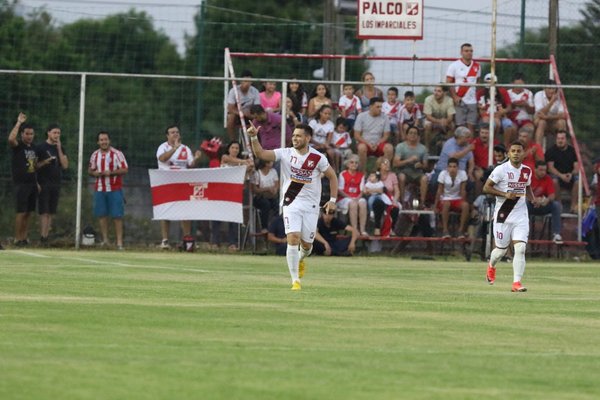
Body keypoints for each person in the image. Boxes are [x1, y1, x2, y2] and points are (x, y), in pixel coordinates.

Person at [247, 122, 338, 291]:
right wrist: (253, 136)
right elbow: (260, 153)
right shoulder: (286, 153)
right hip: (291, 202)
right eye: (294, 135)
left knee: (307, 246)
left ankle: (301, 259)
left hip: (311, 206)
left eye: (298, 136)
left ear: (308, 138)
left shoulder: (318, 158)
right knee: (293, 238)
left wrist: (332, 199)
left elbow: (332, 177)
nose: (295, 138)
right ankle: (295, 281)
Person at [483, 140, 534, 292]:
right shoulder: (501, 170)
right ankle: (491, 266)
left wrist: (532, 198)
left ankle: (516, 283)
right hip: (503, 215)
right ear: (508, 154)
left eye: (519, 151)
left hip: (521, 215)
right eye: (513, 151)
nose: (516, 153)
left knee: (520, 248)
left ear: (523, 153)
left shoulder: (527, 171)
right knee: (500, 250)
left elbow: (527, 186)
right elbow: (486, 187)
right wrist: (504, 194)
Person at [156, 125, 202, 249]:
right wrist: (174, 149)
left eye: (177, 132)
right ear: (167, 135)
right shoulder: (163, 147)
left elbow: (190, 165)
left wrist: (196, 158)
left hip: (182, 184)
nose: (175, 134)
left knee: (185, 212)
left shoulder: (185, 148)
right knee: (166, 211)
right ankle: (165, 240)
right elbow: (162, 158)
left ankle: (187, 240)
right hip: (167, 183)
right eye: (172, 132)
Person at [88, 131, 128, 249]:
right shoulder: (95, 155)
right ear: (98, 142)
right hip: (99, 189)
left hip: (115, 189)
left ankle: (119, 242)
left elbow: (125, 169)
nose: (104, 142)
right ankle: (105, 240)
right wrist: (94, 173)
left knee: (117, 216)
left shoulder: (117, 154)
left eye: (105, 139)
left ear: (109, 140)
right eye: (101, 140)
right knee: (102, 215)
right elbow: (90, 170)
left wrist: (111, 173)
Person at [213, 140, 253, 251]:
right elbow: (228, 159)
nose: (235, 150)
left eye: (237, 148)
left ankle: (232, 243)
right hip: (221, 193)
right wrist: (245, 162)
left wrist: (248, 170)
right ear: (229, 149)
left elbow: (243, 180)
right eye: (233, 147)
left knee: (233, 219)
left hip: (233, 195)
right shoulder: (225, 158)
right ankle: (215, 242)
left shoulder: (241, 165)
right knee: (217, 217)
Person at [7, 112, 37, 247]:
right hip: (21, 184)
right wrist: (19, 122)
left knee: (29, 212)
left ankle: (24, 238)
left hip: (32, 184)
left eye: (31, 134)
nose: (29, 136)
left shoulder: (34, 148)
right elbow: (10, 139)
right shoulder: (18, 147)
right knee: (21, 211)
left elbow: (34, 166)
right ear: (22, 134)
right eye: (27, 134)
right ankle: (17, 238)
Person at [36, 123, 69, 245]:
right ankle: (42, 236)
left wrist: (59, 148)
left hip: (56, 183)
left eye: (58, 133)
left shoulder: (60, 148)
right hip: (43, 183)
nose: (57, 135)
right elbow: (34, 166)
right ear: (48, 133)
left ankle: (47, 236)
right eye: (54, 132)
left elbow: (65, 165)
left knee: (51, 211)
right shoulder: (40, 147)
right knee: (44, 211)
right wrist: (45, 162)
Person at [446, 43, 481, 134]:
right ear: (461, 52)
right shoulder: (454, 65)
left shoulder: (477, 66)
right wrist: (455, 97)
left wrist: (476, 98)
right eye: (466, 51)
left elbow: (477, 83)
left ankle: (470, 148)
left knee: (471, 127)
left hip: (472, 101)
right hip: (460, 99)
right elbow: (449, 82)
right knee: (460, 127)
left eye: (471, 51)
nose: (469, 53)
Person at [353, 97, 394, 172]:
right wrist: (368, 144)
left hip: (379, 143)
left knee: (389, 148)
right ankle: (362, 173)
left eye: (381, 107)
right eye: (377, 107)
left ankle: (381, 171)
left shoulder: (385, 117)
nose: (380, 109)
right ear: (371, 107)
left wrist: (377, 144)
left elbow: (386, 135)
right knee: (362, 148)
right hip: (365, 143)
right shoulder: (361, 116)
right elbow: (357, 135)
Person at [528, 161, 563, 244]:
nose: (543, 172)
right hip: (530, 205)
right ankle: (524, 234)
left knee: (556, 205)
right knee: (523, 204)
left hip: (543, 205)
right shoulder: (529, 178)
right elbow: (523, 193)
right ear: (535, 169)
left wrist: (546, 200)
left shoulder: (548, 178)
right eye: (540, 170)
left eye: (544, 170)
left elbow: (552, 195)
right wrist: (534, 200)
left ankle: (556, 234)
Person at [476, 73, 516, 147]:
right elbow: (481, 110)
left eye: (492, 83)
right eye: (488, 83)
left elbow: (509, 107)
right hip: (487, 116)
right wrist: (491, 116)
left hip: (500, 115)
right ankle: (491, 145)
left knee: (509, 125)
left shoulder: (502, 91)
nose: (490, 85)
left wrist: (503, 111)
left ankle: (505, 146)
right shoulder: (481, 93)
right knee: (493, 124)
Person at [434, 158, 470, 238]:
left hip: (457, 198)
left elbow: (463, 190)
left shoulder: (462, 174)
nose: (452, 169)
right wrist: (436, 205)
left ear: (457, 167)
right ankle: (445, 230)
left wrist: (463, 200)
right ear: (447, 167)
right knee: (446, 204)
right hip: (445, 198)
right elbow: (439, 191)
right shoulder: (443, 174)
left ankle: (460, 230)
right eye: (450, 167)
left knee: (465, 205)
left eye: (454, 167)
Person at [393, 126, 428, 208]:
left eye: (415, 133)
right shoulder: (400, 146)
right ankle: (402, 202)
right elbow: (395, 163)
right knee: (401, 177)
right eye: (410, 133)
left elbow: (425, 166)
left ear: (418, 136)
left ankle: (422, 203)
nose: (413, 135)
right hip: (404, 171)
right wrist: (408, 160)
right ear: (406, 135)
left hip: (417, 172)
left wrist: (421, 165)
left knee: (425, 178)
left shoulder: (423, 148)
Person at [545, 130, 579, 212]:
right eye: (558, 138)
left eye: (562, 138)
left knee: (578, 181)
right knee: (554, 181)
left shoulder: (573, 151)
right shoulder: (550, 151)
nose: (560, 140)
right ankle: (559, 205)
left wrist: (571, 174)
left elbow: (576, 167)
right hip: (556, 176)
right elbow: (550, 168)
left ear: (566, 140)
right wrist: (561, 176)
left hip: (569, 175)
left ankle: (573, 206)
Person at [337, 155, 367, 236]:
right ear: (347, 164)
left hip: (356, 197)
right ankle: (355, 229)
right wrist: (350, 198)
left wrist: (358, 198)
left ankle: (362, 230)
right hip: (345, 198)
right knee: (353, 204)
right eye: (352, 162)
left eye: (356, 163)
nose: (354, 164)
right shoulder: (343, 174)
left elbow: (362, 191)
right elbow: (339, 190)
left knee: (363, 202)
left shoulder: (361, 175)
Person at [226, 70, 261, 140]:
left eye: (249, 81)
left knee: (258, 118)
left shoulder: (255, 91)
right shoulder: (234, 91)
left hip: (250, 115)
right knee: (230, 118)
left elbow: (257, 107)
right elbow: (230, 108)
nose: (247, 84)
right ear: (241, 81)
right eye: (245, 81)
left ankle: (255, 142)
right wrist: (242, 113)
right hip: (237, 114)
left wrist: (251, 114)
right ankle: (232, 140)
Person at [371, 157, 400, 237]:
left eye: (388, 163)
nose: (387, 165)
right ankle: (377, 228)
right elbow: (368, 188)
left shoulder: (392, 175)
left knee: (395, 207)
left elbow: (397, 191)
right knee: (378, 203)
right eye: (385, 163)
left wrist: (395, 199)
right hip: (377, 197)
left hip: (389, 198)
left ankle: (391, 229)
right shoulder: (374, 175)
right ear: (379, 165)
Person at [423, 85, 456, 153]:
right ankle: (427, 148)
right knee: (427, 125)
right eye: (435, 90)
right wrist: (439, 121)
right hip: (432, 120)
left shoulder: (449, 100)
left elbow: (450, 117)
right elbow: (428, 116)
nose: (436, 93)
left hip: (444, 121)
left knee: (452, 125)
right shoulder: (428, 99)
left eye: (439, 91)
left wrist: (445, 121)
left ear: (444, 93)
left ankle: (448, 147)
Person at [533, 79, 566, 145]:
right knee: (542, 122)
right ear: (544, 88)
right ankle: (538, 149)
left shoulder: (559, 96)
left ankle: (560, 146)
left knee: (562, 122)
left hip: (552, 121)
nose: (551, 91)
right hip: (539, 120)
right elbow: (540, 113)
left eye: (553, 88)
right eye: (549, 88)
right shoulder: (538, 95)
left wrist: (547, 117)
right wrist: (552, 102)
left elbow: (563, 115)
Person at [251, 159, 279, 233]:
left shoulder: (273, 171)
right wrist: (267, 189)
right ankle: (264, 227)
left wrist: (275, 189)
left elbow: (277, 184)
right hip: (259, 197)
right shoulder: (257, 173)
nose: (272, 162)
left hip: (271, 196)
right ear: (266, 163)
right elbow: (254, 189)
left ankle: (275, 227)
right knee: (266, 204)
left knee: (277, 205)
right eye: (270, 161)